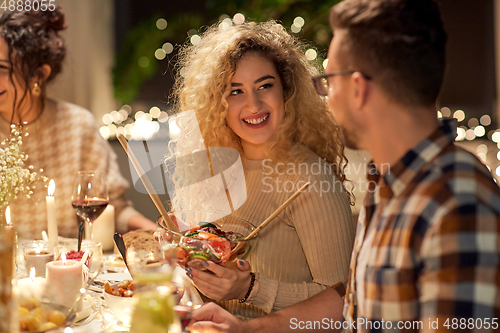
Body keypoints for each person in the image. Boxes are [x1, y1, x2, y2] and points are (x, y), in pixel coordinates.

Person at [189, 0, 500, 332]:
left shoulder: (457, 200)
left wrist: (252, 290)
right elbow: (349, 300)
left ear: (357, 87)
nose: (325, 95)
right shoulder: (389, 182)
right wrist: (245, 329)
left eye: (329, 81)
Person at [171, 20, 355, 319]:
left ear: (287, 90)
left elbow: (346, 302)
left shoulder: (310, 177)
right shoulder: (215, 165)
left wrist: (250, 289)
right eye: (235, 91)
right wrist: (188, 260)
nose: (253, 104)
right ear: (216, 102)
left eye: (265, 86)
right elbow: (215, 287)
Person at [0, 8, 156, 239]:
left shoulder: (77, 126)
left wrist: (161, 233)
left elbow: (114, 209)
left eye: (2, 68)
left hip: (66, 269)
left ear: (38, 76)